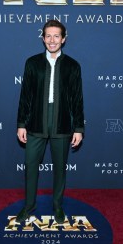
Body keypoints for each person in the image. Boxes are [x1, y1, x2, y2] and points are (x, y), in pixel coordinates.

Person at [16, 20, 84, 223]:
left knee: (60, 169)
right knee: (30, 166)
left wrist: (78, 127)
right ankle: (28, 206)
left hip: (62, 124)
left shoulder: (73, 66)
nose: (52, 40)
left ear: (63, 38)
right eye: (48, 36)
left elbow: (77, 98)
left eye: (56, 36)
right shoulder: (32, 63)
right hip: (36, 123)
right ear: (43, 38)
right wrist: (21, 124)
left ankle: (57, 206)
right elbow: (25, 95)